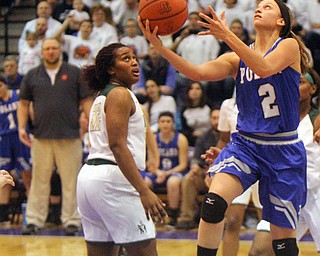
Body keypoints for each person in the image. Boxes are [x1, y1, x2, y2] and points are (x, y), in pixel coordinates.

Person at [138, 0, 310, 255]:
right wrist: (160, 47)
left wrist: (226, 34)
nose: (259, 8)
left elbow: (263, 68)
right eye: (258, 5)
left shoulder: (288, 46)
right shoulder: (234, 58)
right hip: (246, 146)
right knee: (213, 203)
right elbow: (197, 73)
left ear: (281, 21)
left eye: (268, 6)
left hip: (282, 150)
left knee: (282, 244)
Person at [77, 42, 167, 256]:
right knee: (146, 252)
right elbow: (117, 145)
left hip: (90, 178)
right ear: (111, 69)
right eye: (126, 59)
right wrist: (144, 190)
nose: (134, 62)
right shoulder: (120, 94)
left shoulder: (101, 96)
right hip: (114, 179)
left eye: (134, 57)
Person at [17, 37, 93, 236]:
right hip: (41, 136)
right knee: (39, 181)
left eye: (54, 48)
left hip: (70, 136)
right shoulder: (32, 75)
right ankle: (33, 221)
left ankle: (72, 221)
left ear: (60, 50)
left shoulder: (74, 72)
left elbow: (86, 101)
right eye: (47, 49)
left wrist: (94, 127)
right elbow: (23, 104)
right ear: (42, 52)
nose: (50, 51)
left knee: (71, 181)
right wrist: (21, 127)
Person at [249, 68, 320, 256]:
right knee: (260, 251)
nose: (295, 86)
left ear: (313, 89)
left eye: (301, 82)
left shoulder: (317, 117)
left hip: (315, 194)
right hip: (286, 193)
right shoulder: (275, 117)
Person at [175, 108, 220, 230]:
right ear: (210, 120)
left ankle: (224, 218)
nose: (216, 121)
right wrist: (195, 168)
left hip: (222, 176)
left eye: (219, 118)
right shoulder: (204, 137)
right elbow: (195, 159)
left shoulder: (231, 136)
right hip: (204, 174)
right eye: (214, 118)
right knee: (189, 178)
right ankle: (186, 217)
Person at [144, 111, 189, 226]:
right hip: (157, 172)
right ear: (158, 124)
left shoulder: (181, 139)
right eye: (162, 121)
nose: (165, 124)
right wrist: (158, 172)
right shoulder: (153, 138)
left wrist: (167, 173)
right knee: (145, 182)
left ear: (173, 124)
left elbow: (183, 164)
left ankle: (172, 216)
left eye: (168, 121)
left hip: (175, 171)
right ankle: (146, 214)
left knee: (172, 182)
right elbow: (150, 162)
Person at [0, 75, 31, 223]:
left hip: (20, 137)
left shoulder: (18, 95)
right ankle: (3, 210)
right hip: (4, 140)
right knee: (4, 174)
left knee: (26, 172)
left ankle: (31, 208)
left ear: (6, 84)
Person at [180, 81, 212, 147]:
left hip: (210, 138)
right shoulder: (184, 110)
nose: (194, 91)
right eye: (191, 89)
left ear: (202, 92)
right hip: (192, 140)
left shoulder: (209, 106)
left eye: (197, 88)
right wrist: (192, 133)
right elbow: (184, 129)